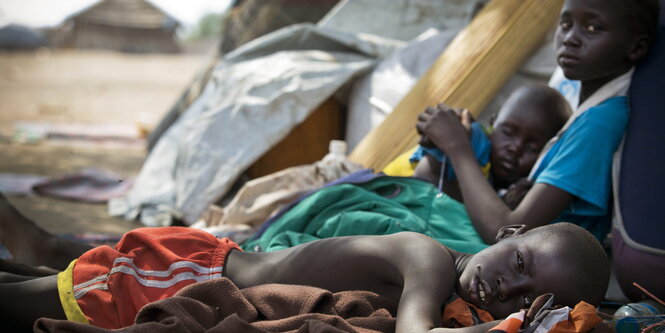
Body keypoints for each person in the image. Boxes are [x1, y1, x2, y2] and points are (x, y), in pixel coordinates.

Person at [0, 221, 610, 332]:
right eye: (520, 267)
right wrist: (506, 329)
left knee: (38, 287)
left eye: (531, 296)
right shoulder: (426, 259)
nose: (508, 290)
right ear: (506, 237)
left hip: (198, 260)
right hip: (179, 277)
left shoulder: (449, 280)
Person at [416, 0, 659, 244]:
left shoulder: (600, 123)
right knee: (424, 175)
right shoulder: (592, 109)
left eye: (593, 28)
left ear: (636, 48)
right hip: (516, 248)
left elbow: (506, 231)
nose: (570, 38)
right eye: (565, 24)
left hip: (520, 261)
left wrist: (458, 147)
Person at [384, 85, 571, 203]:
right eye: (508, 132)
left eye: (533, 148)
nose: (515, 148)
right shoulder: (470, 139)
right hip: (384, 191)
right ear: (492, 124)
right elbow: (425, 177)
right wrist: (497, 207)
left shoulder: (514, 187)